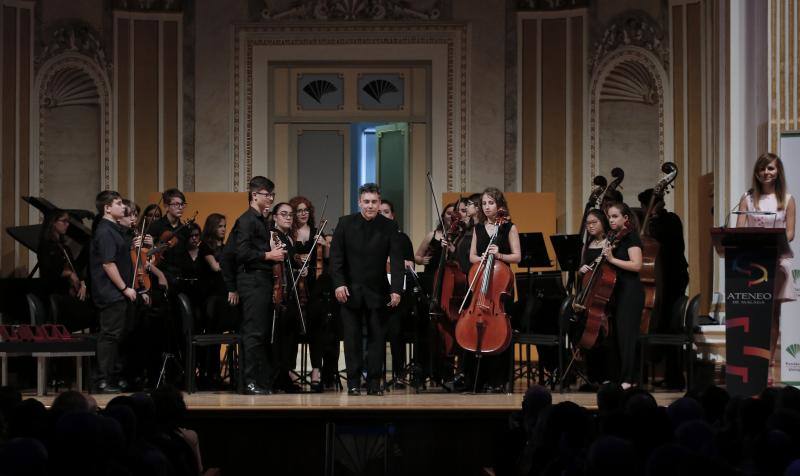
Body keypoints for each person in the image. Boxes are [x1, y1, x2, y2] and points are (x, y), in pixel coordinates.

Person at [330, 183, 404, 396]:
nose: (370, 205)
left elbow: (397, 261)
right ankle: (353, 383)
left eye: (374, 202)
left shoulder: (389, 226)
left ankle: (374, 383)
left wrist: (396, 289)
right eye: (367, 202)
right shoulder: (345, 223)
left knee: (377, 339)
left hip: (378, 290)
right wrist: (338, 283)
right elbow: (336, 259)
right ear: (359, 202)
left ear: (379, 203)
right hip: (349, 290)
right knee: (352, 339)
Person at [737, 153, 797, 384]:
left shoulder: (788, 199)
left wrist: (772, 239)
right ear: (756, 172)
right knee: (753, 315)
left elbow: (790, 232)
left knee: (772, 316)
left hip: (776, 261)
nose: (766, 173)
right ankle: (750, 363)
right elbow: (739, 228)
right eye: (762, 169)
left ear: (778, 171)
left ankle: (768, 366)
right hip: (751, 264)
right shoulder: (747, 198)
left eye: (771, 168)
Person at [466, 187, 521, 392]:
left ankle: (498, 380)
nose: (487, 207)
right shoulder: (478, 228)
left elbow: (517, 256)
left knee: (499, 329)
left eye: (491, 203)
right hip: (481, 282)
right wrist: (482, 258)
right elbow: (471, 256)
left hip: (500, 286)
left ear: (499, 205)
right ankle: (476, 379)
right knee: (476, 328)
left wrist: (499, 255)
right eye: (484, 203)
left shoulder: (508, 228)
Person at [235, 176, 285, 394]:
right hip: (252, 280)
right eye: (267, 194)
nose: (271, 198)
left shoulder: (261, 221)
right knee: (253, 333)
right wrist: (269, 254)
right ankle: (249, 382)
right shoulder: (246, 220)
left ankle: (261, 380)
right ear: (255, 195)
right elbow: (241, 253)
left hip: (262, 280)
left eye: (272, 194)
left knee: (262, 333)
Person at [638, 188, 690, 388]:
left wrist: (649, 221)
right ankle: (643, 374)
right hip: (656, 281)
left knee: (671, 326)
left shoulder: (671, 220)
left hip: (673, 280)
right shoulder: (648, 222)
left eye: (651, 204)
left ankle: (675, 377)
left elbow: (661, 240)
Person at [289, 196, 338, 392]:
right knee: (291, 327)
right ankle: (289, 370)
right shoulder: (288, 234)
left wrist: (325, 244)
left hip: (315, 286)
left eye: (306, 210)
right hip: (294, 286)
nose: (303, 213)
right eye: (299, 210)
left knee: (316, 327)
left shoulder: (317, 232)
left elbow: (327, 260)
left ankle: (316, 369)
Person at [89, 191, 137, 393]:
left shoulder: (115, 229)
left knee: (117, 335)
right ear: (107, 208)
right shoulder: (105, 231)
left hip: (117, 292)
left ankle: (113, 378)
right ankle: (103, 380)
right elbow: (108, 264)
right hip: (111, 292)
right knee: (109, 336)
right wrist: (125, 288)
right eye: (118, 203)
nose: (123, 207)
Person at [603, 202, 645, 389]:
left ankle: (629, 378)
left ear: (625, 218)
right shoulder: (614, 238)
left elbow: (637, 265)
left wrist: (612, 259)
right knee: (616, 336)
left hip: (630, 291)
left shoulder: (631, 237)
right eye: (609, 217)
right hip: (617, 291)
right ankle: (619, 376)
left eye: (615, 216)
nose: (611, 220)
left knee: (627, 336)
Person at [37, 209, 95, 331]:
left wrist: (83, 284)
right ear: (53, 223)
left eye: (68, 221)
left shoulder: (65, 247)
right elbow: (49, 270)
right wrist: (69, 273)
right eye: (64, 221)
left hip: (67, 292)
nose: (67, 224)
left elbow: (76, 268)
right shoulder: (45, 246)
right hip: (55, 290)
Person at [380, 199, 416, 388]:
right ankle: (372, 375)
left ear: (392, 215)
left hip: (397, 293)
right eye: (380, 212)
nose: (382, 215)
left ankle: (399, 374)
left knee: (396, 333)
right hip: (377, 292)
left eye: (386, 212)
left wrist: (393, 260)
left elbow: (410, 264)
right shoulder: (372, 237)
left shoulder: (402, 238)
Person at [574, 209, 612, 387]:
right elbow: (581, 270)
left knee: (602, 339)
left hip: (604, 295)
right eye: (588, 223)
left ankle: (605, 377)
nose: (590, 226)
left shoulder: (610, 244)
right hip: (588, 297)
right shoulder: (587, 245)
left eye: (594, 222)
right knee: (584, 334)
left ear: (603, 222)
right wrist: (580, 271)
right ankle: (590, 376)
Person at [270, 201, 304, 393]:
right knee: (280, 337)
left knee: (291, 336)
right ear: (274, 217)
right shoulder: (272, 236)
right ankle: (278, 377)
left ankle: (286, 374)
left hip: (290, 292)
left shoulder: (289, 239)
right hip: (278, 293)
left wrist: (302, 269)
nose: (288, 217)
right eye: (284, 214)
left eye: (290, 214)